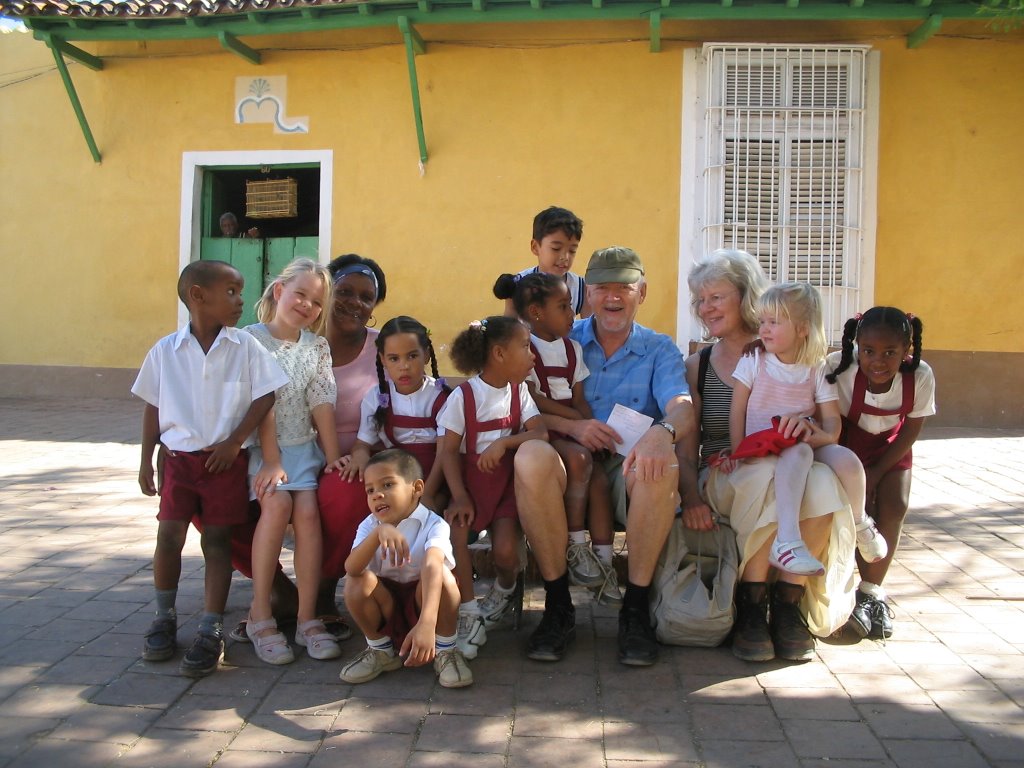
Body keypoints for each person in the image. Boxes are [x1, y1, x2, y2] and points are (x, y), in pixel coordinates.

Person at [680, 250, 855, 663]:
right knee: (769, 479)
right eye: (700, 300)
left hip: (789, 463)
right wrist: (690, 496)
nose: (705, 309)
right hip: (727, 470)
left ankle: (788, 605)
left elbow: (827, 426)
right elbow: (687, 449)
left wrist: (809, 432)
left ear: (747, 298)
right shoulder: (698, 365)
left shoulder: (802, 360)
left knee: (822, 480)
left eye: (715, 297)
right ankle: (753, 606)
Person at [530, 246, 694, 667]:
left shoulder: (659, 349)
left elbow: (680, 404)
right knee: (531, 460)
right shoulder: (560, 339)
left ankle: (635, 610)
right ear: (588, 295)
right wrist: (575, 426)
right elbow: (521, 401)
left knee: (662, 468)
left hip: (628, 464)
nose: (613, 297)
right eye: (603, 287)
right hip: (568, 457)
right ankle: (557, 605)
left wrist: (664, 431)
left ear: (643, 292)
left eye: (625, 287)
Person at [132, 260, 287, 677]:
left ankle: (210, 626)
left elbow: (266, 397)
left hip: (225, 464)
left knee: (217, 543)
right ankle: (164, 616)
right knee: (169, 536)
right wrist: (146, 458)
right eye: (232, 292)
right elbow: (153, 406)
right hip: (180, 462)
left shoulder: (245, 347)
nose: (240, 300)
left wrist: (235, 441)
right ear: (198, 296)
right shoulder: (165, 351)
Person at [725, 282, 886, 576]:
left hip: (804, 440)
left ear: (803, 329)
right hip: (763, 445)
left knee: (847, 460)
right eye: (762, 321)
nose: (764, 329)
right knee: (797, 450)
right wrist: (737, 453)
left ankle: (861, 520)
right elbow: (737, 410)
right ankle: (787, 542)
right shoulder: (754, 361)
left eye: (775, 322)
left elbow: (832, 420)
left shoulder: (817, 367)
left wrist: (824, 437)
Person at [493, 271, 620, 605]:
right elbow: (533, 399)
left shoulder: (573, 349)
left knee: (599, 481)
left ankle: (605, 565)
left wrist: (593, 429)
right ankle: (576, 545)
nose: (572, 315)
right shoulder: (526, 349)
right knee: (579, 459)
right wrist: (576, 422)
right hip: (541, 431)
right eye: (563, 307)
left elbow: (579, 398)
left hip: (569, 427)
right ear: (536, 313)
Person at [243, 258, 344, 665]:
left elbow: (321, 403)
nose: (307, 305)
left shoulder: (316, 347)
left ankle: (306, 618)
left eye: (317, 301)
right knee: (278, 503)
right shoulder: (249, 340)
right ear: (280, 291)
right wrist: (270, 460)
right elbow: (259, 402)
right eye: (300, 293)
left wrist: (334, 458)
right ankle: (260, 614)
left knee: (307, 513)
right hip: (263, 450)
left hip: (303, 450)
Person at [437, 316, 548, 660]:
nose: (533, 355)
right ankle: (469, 612)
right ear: (499, 353)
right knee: (456, 538)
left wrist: (503, 444)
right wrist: (458, 496)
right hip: (469, 488)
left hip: (504, 489)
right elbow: (448, 451)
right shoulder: (464, 397)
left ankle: (503, 590)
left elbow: (540, 433)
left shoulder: (520, 393)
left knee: (505, 553)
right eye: (526, 346)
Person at [826, 307, 935, 640]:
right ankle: (834, 590)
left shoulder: (920, 376)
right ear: (857, 344)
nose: (878, 360)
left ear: (907, 351)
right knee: (846, 511)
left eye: (890, 352)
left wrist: (876, 471)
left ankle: (871, 594)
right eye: (869, 351)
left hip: (891, 449)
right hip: (844, 444)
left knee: (893, 507)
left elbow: (911, 429)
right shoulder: (838, 368)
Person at [339, 449, 473, 688]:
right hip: (387, 603)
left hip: (424, 603)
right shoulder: (369, 525)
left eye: (387, 484)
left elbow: (433, 565)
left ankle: (445, 650)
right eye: (370, 490)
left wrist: (427, 623)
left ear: (417, 488)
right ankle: (381, 651)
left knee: (443, 576)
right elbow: (351, 567)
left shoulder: (435, 524)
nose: (377, 495)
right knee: (356, 580)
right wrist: (379, 532)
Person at [340, 315, 449, 512]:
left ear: (426, 355)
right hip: (395, 478)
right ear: (383, 359)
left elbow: (445, 453)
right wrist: (361, 456)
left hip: (438, 477)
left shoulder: (441, 397)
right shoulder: (376, 398)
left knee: (428, 519)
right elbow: (362, 444)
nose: (404, 366)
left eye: (412, 356)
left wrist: (428, 494)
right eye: (394, 358)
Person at [502, 206, 590, 319]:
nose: (565, 257)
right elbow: (509, 330)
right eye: (556, 248)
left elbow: (587, 332)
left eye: (572, 250)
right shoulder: (517, 285)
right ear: (535, 247)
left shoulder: (581, 288)